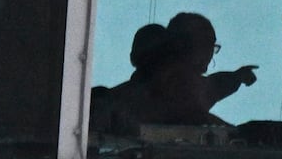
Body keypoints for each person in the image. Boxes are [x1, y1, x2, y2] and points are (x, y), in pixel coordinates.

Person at [92, 13, 258, 134]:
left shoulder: (129, 91)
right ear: (190, 45)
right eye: (210, 45)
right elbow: (193, 114)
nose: (211, 53)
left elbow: (214, 86)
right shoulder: (177, 86)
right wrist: (237, 135)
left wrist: (237, 77)